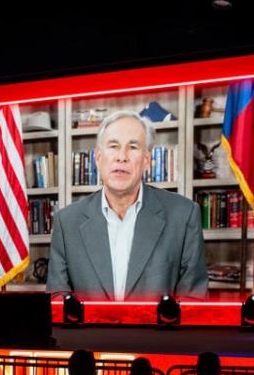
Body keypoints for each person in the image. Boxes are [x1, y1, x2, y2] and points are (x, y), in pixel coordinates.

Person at [47, 111, 208, 300]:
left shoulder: (183, 215)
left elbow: (193, 300)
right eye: (113, 146)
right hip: (90, 330)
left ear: (146, 160)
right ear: (98, 158)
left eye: (133, 147)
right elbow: (57, 299)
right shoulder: (67, 222)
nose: (121, 157)